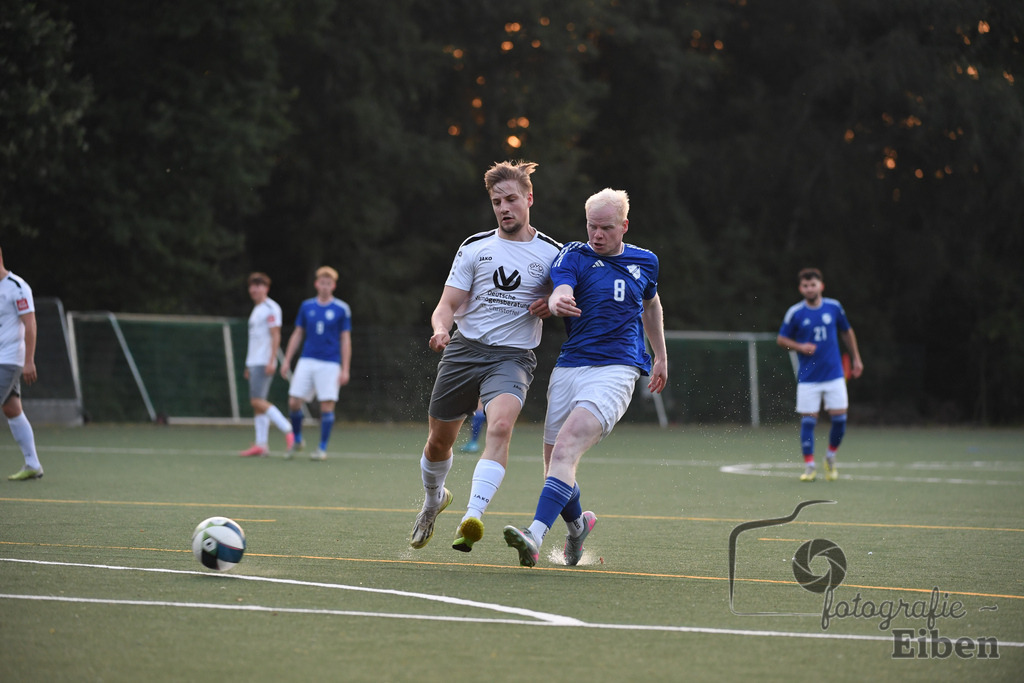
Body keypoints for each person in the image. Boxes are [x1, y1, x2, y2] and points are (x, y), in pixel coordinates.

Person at [503, 188, 668, 567]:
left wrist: (660, 354)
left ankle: (534, 536)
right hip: (570, 367)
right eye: (592, 226)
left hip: (617, 368)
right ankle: (578, 527)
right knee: (555, 467)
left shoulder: (646, 262)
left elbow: (652, 303)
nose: (597, 235)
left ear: (624, 226)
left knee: (565, 450)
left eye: (606, 228)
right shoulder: (573, 253)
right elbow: (562, 284)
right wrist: (559, 298)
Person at [410, 159, 561, 553]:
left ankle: (472, 516)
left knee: (499, 428)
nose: (504, 207)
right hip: (463, 350)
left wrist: (553, 302)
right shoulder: (475, 247)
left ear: (530, 198)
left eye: (511, 199)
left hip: (513, 357)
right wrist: (441, 329)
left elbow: (571, 296)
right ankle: (434, 500)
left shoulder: (553, 254)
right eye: (497, 202)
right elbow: (446, 305)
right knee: (438, 443)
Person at [776, 267, 863, 482]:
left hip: (834, 374)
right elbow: (781, 339)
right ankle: (809, 466)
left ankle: (830, 457)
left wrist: (856, 358)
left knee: (840, 419)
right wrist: (799, 346)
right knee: (808, 422)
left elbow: (847, 332)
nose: (809, 289)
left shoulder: (834, 307)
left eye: (813, 285)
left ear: (821, 286)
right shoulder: (795, 312)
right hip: (808, 377)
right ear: (800, 288)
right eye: (805, 286)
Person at [280, 266, 352, 461]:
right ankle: (297, 439)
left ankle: (321, 448)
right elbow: (297, 333)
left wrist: (345, 368)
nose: (325, 286)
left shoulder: (342, 309)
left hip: (330, 363)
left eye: (329, 283)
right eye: (322, 282)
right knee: (294, 402)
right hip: (307, 360)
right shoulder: (306, 306)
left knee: (326, 406)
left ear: (334, 286)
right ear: (316, 284)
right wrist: (287, 360)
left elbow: (345, 339)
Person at [239, 272, 294, 457]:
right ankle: (261, 445)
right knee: (257, 405)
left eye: (259, 285)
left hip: (263, 362)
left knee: (257, 401)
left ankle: (288, 429)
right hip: (254, 362)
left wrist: (272, 361)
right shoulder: (257, 309)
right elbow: (255, 341)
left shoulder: (271, 308)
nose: (254, 289)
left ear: (266, 288)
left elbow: (275, 335)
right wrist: (248, 364)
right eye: (252, 285)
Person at [1, 246, 44, 481]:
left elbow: (30, 324)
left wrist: (29, 361)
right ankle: (33, 464)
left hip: (9, 360)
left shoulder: (17, 287)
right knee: (11, 409)